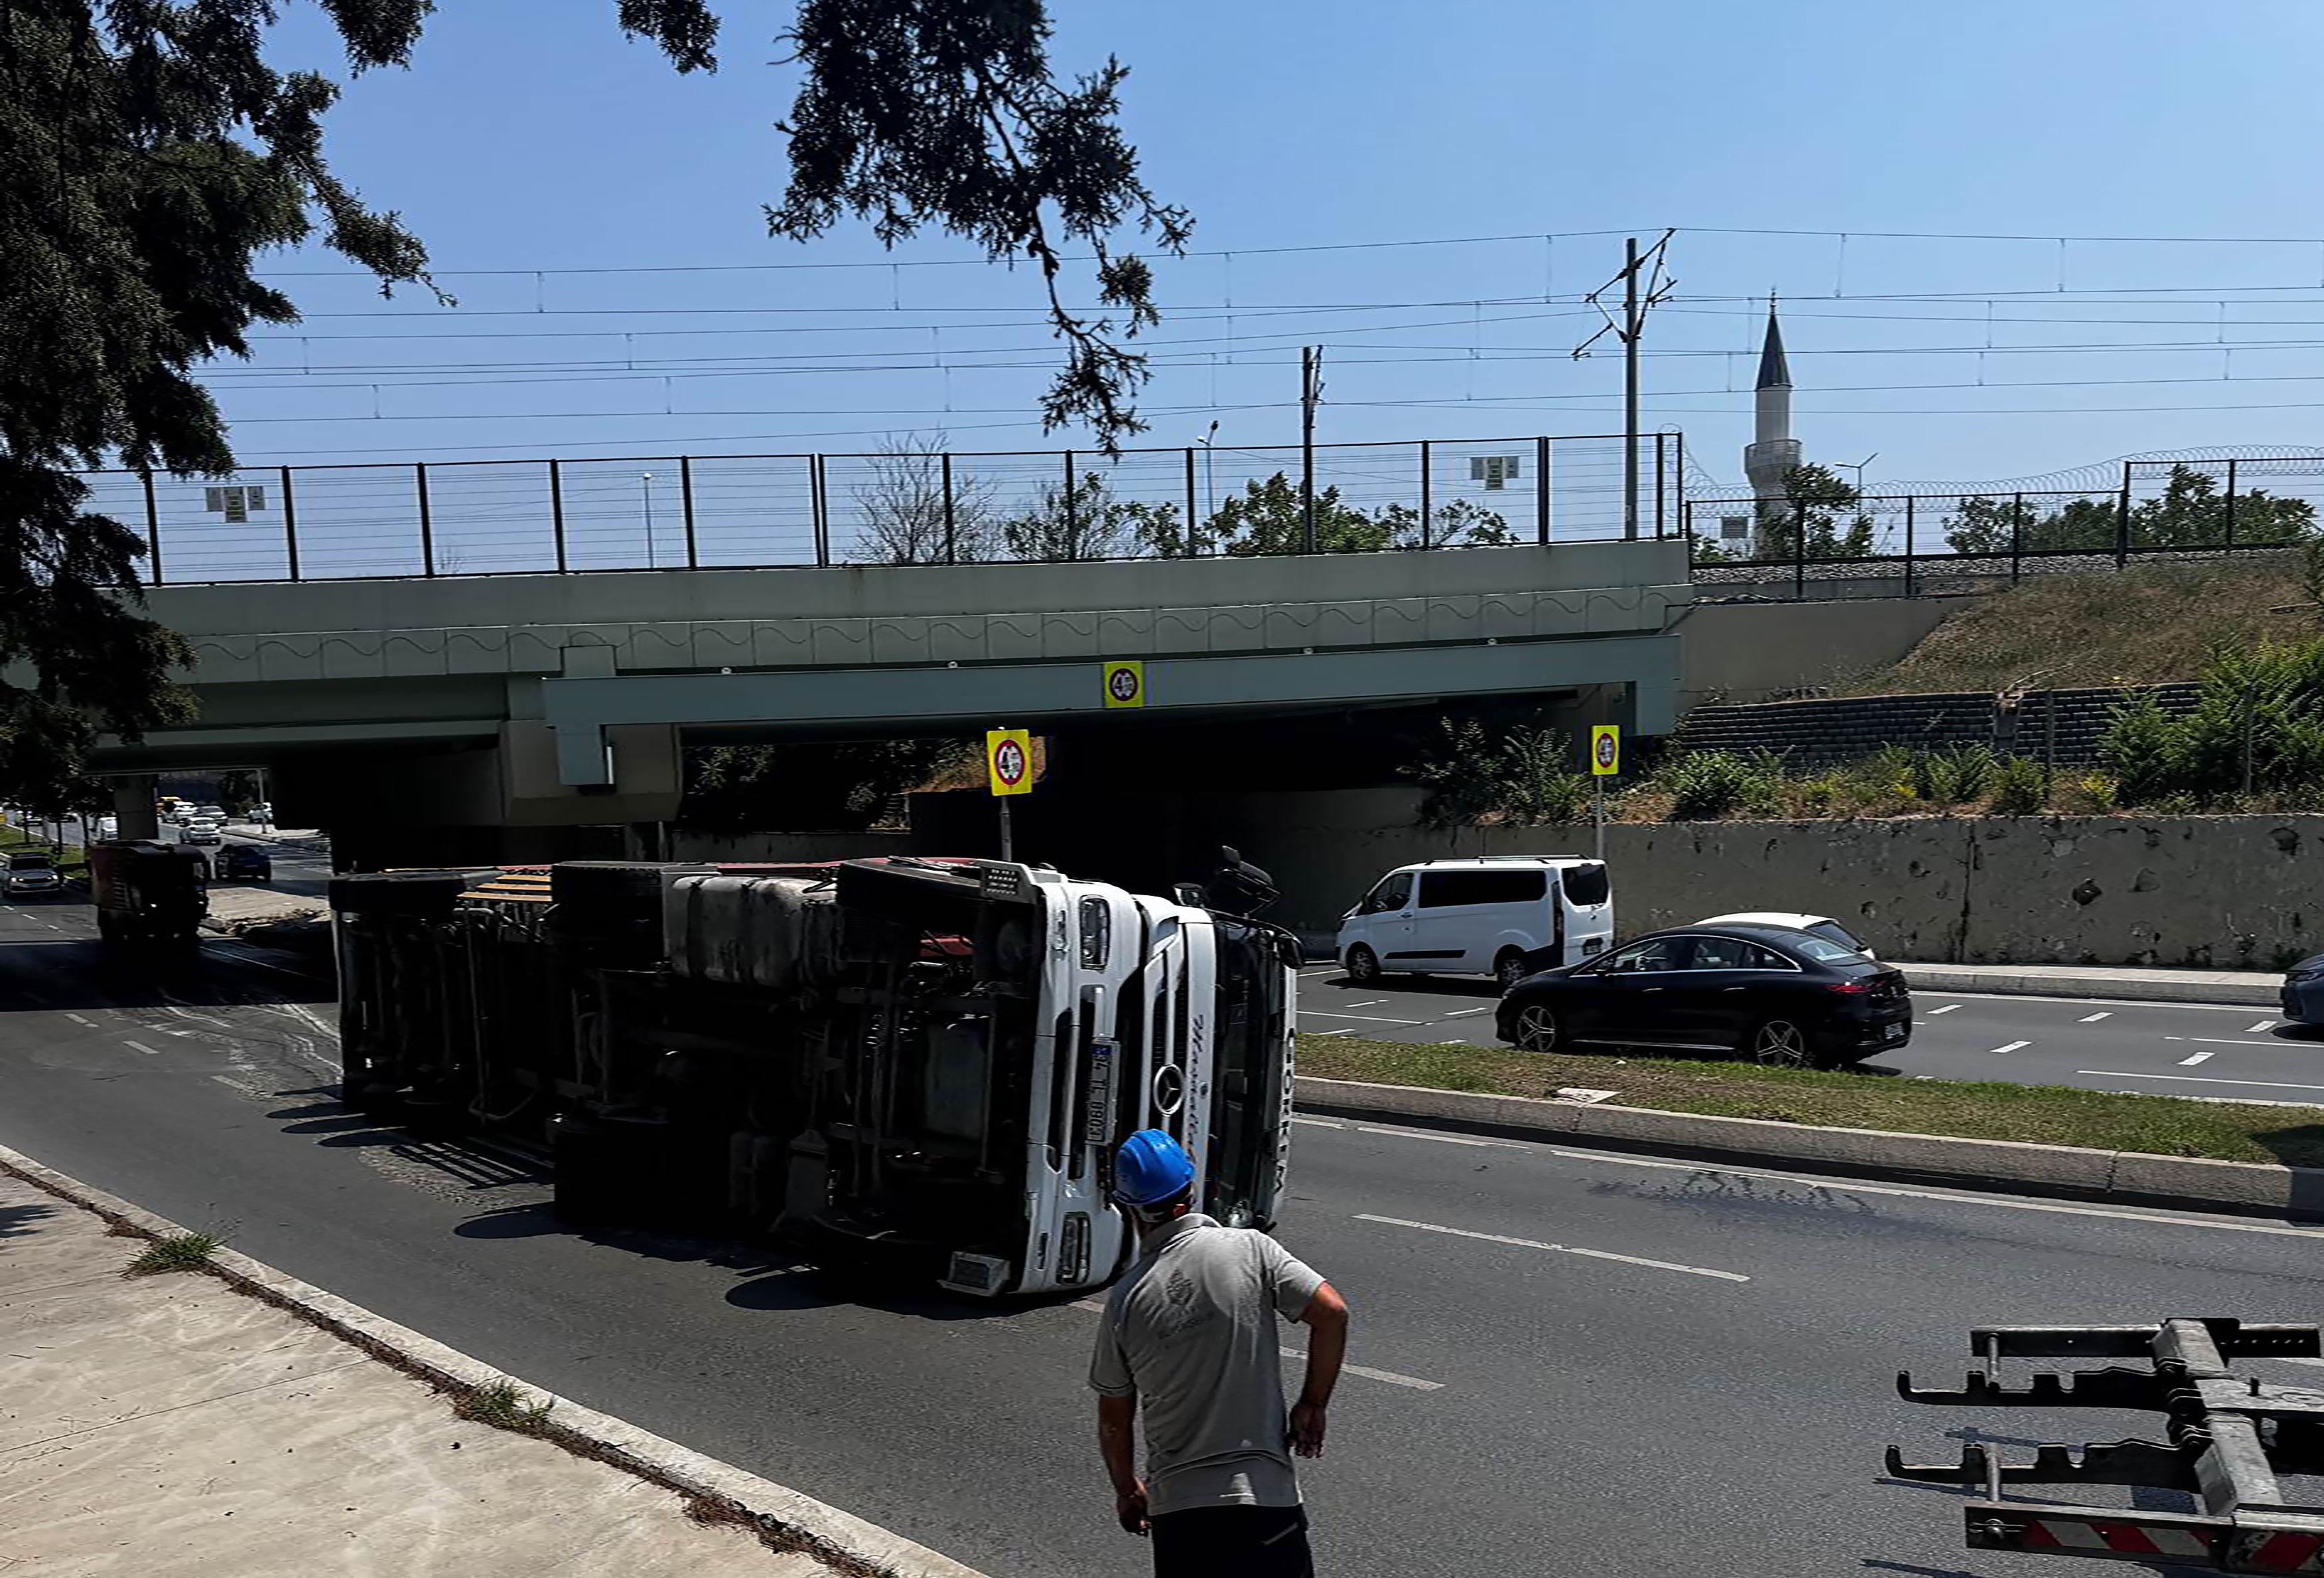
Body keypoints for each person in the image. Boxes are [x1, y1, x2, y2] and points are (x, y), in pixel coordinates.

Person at [1090, 1129, 1349, 1577]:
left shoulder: (1126, 1300)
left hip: (1181, 1514)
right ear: (1190, 1191)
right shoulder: (1250, 1248)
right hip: (1266, 1501)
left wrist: (1127, 1490)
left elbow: (1115, 1418)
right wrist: (1313, 1403)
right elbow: (1332, 1313)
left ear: (1129, 1208)